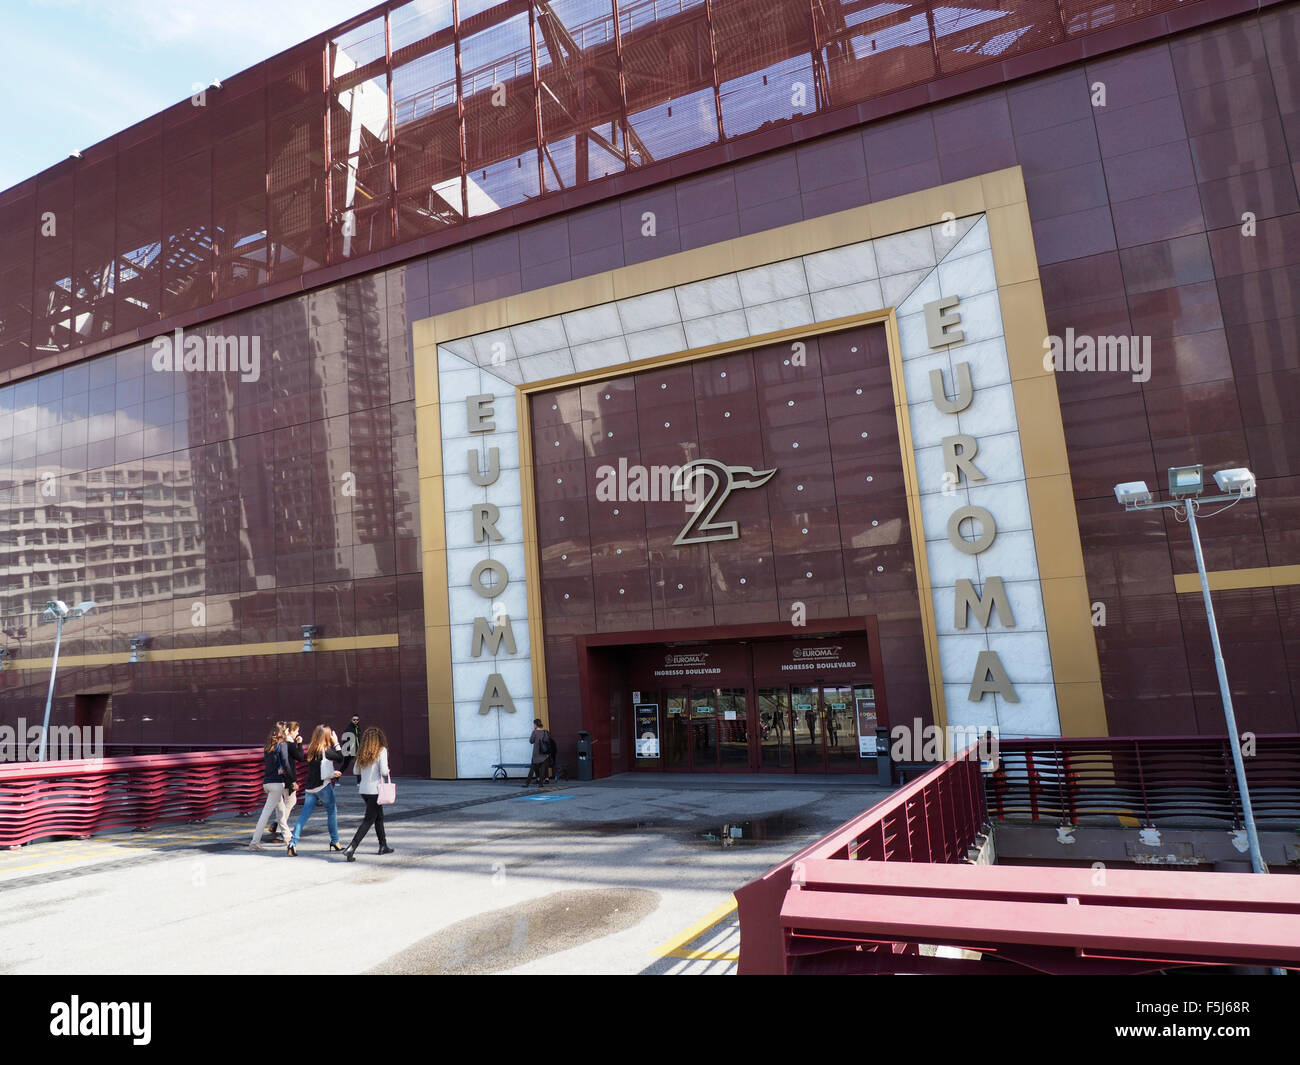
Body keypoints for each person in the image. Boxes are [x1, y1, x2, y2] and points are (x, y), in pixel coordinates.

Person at [288, 725, 347, 856]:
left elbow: (318, 770)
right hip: (324, 787)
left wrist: (332, 773)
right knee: (332, 812)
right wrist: (336, 742)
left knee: (303, 816)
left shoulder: (311, 750)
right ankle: (335, 841)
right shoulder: (326, 751)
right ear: (326, 737)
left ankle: (293, 843)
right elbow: (341, 757)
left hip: (310, 789)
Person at [344, 727, 394, 861]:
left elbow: (356, 771)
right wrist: (387, 769)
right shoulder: (381, 750)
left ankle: (383, 845)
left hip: (364, 790)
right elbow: (384, 771)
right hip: (376, 790)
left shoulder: (362, 751)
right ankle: (351, 847)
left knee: (379, 817)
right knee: (368, 820)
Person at [250, 724, 293, 850]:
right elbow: (285, 762)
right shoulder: (282, 745)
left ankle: (287, 836)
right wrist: (292, 779)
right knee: (266, 814)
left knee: (281, 811)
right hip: (277, 783)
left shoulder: (268, 746)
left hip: (267, 782)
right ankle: (254, 842)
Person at [270, 721, 304, 842]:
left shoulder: (279, 743)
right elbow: (300, 757)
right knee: (290, 801)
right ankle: (279, 828)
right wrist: (299, 744)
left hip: (277, 777)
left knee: (281, 804)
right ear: (289, 730)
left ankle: (276, 824)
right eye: (296, 731)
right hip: (288, 777)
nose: (298, 733)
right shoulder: (289, 744)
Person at [524, 719, 552, 787]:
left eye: (534, 724)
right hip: (544, 754)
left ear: (536, 724)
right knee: (542, 770)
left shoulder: (534, 732)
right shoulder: (544, 732)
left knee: (532, 769)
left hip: (536, 754)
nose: (533, 725)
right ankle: (540, 784)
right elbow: (546, 741)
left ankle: (527, 783)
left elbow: (531, 741)